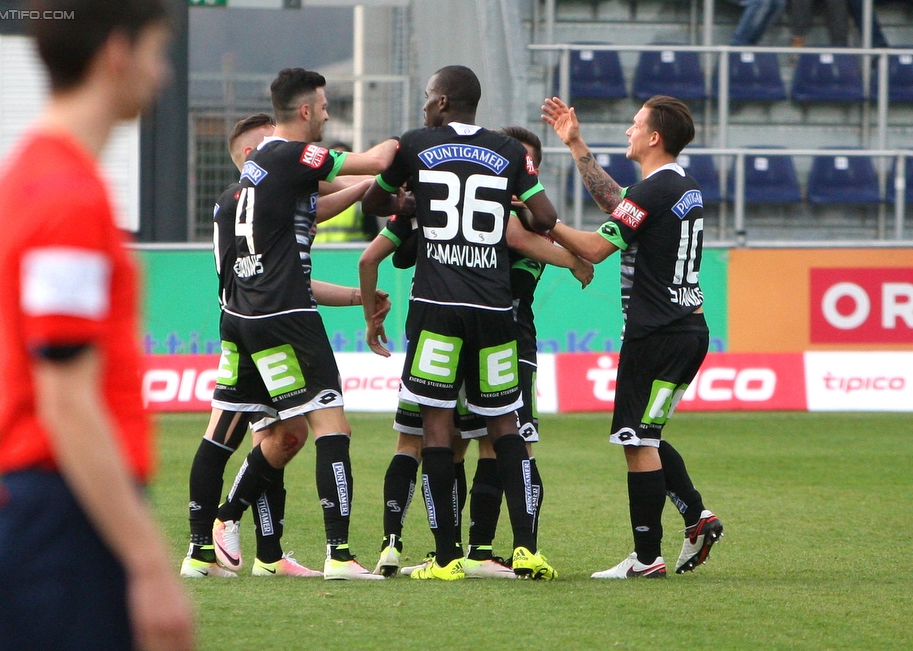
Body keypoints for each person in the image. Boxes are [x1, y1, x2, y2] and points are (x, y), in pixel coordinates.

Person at [0, 1, 194, 650]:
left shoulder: (28, 175)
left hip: (54, 517)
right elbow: (68, 401)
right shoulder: (63, 195)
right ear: (116, 54)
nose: (164, 74)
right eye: (157, 51)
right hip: (62, 525)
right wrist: (151, 562)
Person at [360, 127, 593, 579]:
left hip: (461, 328)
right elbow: (526, 236)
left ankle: (466, 551)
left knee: (454, 439)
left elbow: (381, 252)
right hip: (490, 329)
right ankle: (436, 547)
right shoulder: (501, 209)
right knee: (467, 441)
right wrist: (574, 258)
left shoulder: (506, 215)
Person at [207, 68, 399, 581]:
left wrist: (364, 189)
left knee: (285, 432)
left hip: (254, 316)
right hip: (288, 315)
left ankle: (224, 524)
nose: (329, 113)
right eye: (325, 104)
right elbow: (379, 159)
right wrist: (421, 143)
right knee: (331, 425)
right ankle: (338, 554)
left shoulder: (263, 169)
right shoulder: (290, 153)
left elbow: (325, 201)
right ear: (307, 111)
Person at [541, 94, 724, 579]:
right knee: (649, 433)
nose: (628, 130)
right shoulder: (681, 186)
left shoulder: (653, 191)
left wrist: (545, 221)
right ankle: (696, 515)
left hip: (654, 333)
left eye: (635, 124)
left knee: (636, 439)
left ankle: (646, 559)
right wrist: (576, 144)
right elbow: (620, 205)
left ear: (654, 137)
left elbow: (598, 248)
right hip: (689, 330)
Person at [312, 141, 380, 244]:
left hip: (350, 256)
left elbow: (372, 233)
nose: (340, 168)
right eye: (335, 162)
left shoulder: (360, 197)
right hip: (317, 255)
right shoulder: (313, 194)